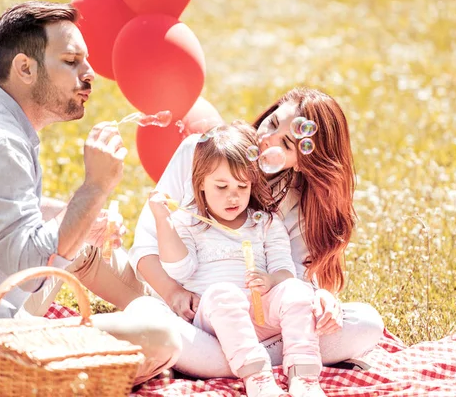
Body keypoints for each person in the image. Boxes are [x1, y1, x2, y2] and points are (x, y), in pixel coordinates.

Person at [0, 1, 180, 387]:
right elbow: (28, 270)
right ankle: (185, 329)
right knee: (160, 338)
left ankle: (174, 308)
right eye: (71, 60)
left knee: (81, 238)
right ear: (25, 68)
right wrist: (94, 188)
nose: (89, 73)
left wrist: (73, 212)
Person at [126, 87, 384, 378]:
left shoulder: (299, 202)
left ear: (303, 161)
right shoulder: (198, 152)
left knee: (367, 322)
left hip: (261, 325)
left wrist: (321, 298)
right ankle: (255, 360)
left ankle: (225, 363)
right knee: (145, 314)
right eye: (272, 123)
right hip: (197, 319)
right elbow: (145, 245)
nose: (267, 139)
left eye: (286, 144)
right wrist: (173, 293)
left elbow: (293, 281)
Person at [147, 122, 326, 396]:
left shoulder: (265, 223)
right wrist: (163, 222)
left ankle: (304, 377)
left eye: (242, 186)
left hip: (261, 316)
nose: (233, 196)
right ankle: (258, 378)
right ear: (201, 184)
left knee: (297, 291)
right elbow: (180, 270)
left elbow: (285, 272)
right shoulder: (188, 222)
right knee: (223, 294)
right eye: (221, 186)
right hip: (214, 320)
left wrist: (271, 281)